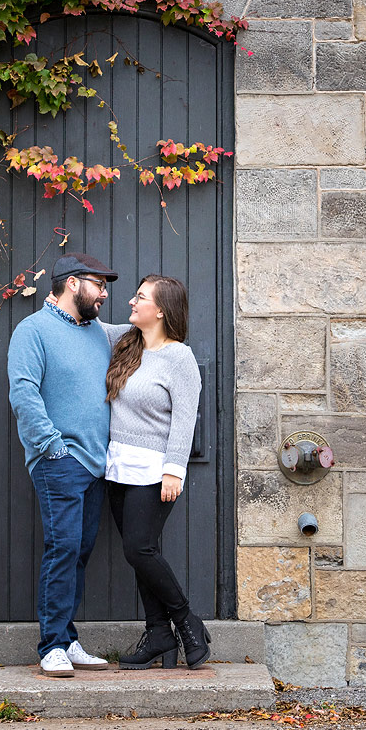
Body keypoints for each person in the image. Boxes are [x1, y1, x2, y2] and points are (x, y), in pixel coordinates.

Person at [7, 251, 129, 677]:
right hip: (60, 460)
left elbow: (142, 329)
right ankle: (52, 645)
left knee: (78, 551)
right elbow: (23, 393)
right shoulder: (33, 330)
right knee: (63, 549)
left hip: (96, 465)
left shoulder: (97, 332)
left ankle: (68, 638)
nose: (105, 294)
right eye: (99, 285)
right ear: (73, 283)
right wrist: (52, 446)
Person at [105, 274, 210, 670]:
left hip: (154, 471)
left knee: (139, 549)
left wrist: (174, 471)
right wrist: (63, 298)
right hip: (117, 467)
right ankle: (159, 634)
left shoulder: (179, 358)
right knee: (140, 556)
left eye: (141, 297)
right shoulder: (125, 341)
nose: (132, 302)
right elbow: (84, 325)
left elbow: (184, 420)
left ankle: (186, 621)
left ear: (162, 310)